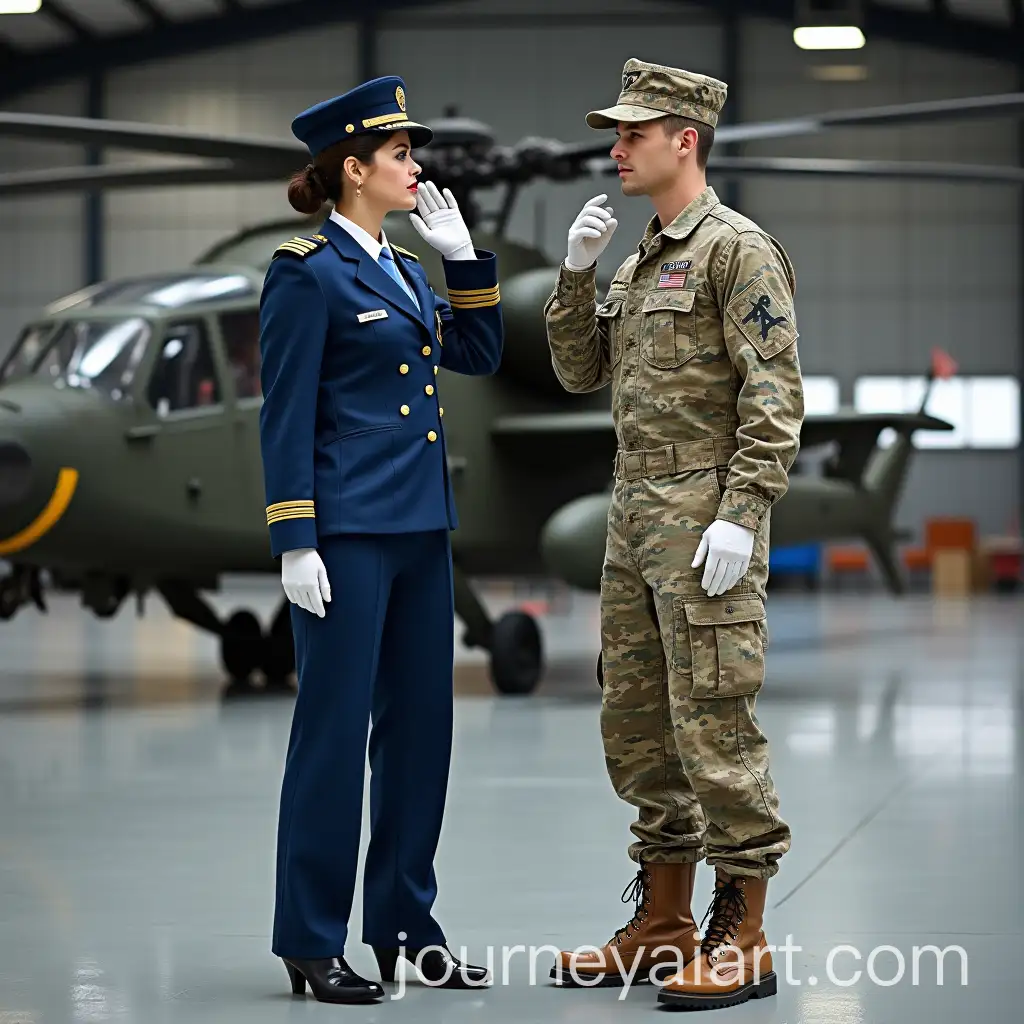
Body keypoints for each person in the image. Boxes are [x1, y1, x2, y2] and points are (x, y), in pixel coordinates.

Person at [543, 58, 804, 1011]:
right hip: (635, 521)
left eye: (631, 136)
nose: (615, 151)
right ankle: (661, 922)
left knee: (717, 724)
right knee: (642, 730)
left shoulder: (738, 251)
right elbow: (579, 373)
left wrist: (742, 514)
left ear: (682, 141)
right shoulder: (640, 256)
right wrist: (575, 274)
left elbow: (775, 401)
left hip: (703, 528)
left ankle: (744, 934)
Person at [257, 76, 503, 1005]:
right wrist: (296, 536)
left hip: (418, 532)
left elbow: (476, 356)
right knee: (331, 736)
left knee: (420, 738)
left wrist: (464, 261)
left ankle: (406, 928)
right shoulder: (305, 271)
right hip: (349, 536)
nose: (418, 168)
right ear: (352, 169)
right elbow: (285, 413)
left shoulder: (401, 270)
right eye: (401, 155)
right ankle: (311, 940)